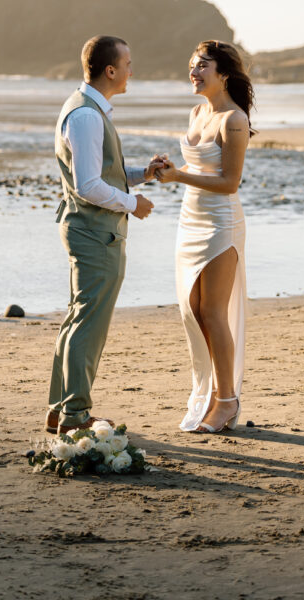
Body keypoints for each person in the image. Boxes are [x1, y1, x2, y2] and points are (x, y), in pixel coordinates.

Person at [45, 35, 165, 435]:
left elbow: (101, 174)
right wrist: (134, 204)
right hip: (94, 233)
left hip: (89, 230)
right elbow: (88, 186)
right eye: (128, 63)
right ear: (110, 70)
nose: (133, 70)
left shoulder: (87, 109)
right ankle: (75, 415)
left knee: (78, 318)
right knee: (88, 324)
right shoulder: (86, 116)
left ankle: (60, 409)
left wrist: (142, 175)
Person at [156, 40, 253, 433]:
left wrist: (179, 176)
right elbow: (196, 165)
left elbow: (229, 183)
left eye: (202, 67)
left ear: (224, 73)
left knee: (213, 311)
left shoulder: (234, 120)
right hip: (189, 218)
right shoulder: (197, 112)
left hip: (220, 223)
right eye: (192, 66)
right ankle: (212, 392)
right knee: (193, 310)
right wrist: (167, 169)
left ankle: (226, 400)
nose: (193, 73)